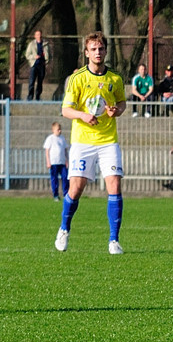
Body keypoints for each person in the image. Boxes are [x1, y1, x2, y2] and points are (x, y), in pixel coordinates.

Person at [54, 32, 127, 255]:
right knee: (76, 189)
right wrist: (83, 116)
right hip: (83, 141)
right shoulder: (77, 79)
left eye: (101, 48)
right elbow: (65, 110)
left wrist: (117, 111)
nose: (98, 52)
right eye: (93, 49)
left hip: (108, 141)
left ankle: (114, 241)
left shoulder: (115, 79)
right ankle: (64, 228)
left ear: (106, 51)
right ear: (86, 52)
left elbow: (122, 103)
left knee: (114, 185)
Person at [44, 121, 69, 201]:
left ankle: (66, 194)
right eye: (58, 129)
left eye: (60, 129)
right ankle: (56, 195)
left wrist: (67, 160)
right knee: (54, 179)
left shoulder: (62, 138)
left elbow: (65, 150)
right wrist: (48, 161)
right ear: (53, 130)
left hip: (62, 162)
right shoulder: (50, 138)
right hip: (54, 162)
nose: (60, 131)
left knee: (65, 178)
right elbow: (47, 150)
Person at [25, 30, 52, 101]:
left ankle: (38, 96)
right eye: (37, 35)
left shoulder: (45, 44)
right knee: (32, 81)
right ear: (35, 36)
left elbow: (49, 54)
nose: (39, 36)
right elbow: (27, 55)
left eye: (39, 34)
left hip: (42, 65)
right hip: (34, 65)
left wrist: (47, 61)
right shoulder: (31, 44)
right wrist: (34, 57)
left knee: (40, 82)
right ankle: (30, 96)